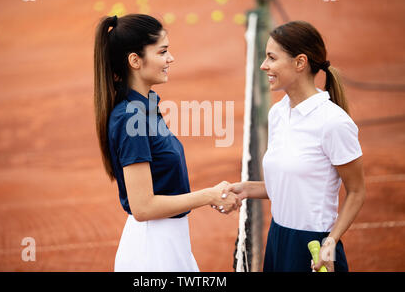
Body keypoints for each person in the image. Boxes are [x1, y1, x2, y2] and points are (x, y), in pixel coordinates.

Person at [93, 14, 240, 272]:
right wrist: (209, 195)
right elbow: (143, 207)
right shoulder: (131, 117)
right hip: (152, 252)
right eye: (162, 52)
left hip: (169, 244)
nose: (170, 59)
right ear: (135, 60)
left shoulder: (146, 108)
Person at [221, 21, 365, 272]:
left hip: (314, 246)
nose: (264, 65)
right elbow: (290, 185)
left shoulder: (334, 122)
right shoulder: (277, 113)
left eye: (271, 58)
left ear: (300, 62)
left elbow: (356, 191)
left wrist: (330, 242)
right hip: (278, 239)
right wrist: (245, 189)